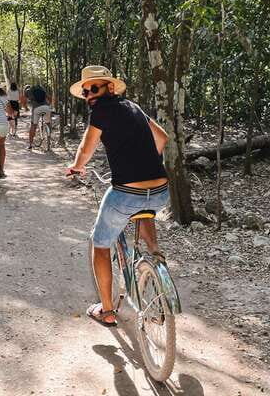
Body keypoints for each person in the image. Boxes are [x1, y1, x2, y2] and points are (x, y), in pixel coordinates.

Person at [66, 65, 169, 328]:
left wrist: (77, 166)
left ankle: (107, 310)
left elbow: (86, 148)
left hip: (125, 194)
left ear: (109, 88)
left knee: (100, 243)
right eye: (86, 91)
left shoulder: (101, 111)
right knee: (144, 208)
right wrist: (145, 160)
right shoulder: (134, 107)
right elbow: (162, 137)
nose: (89, 94)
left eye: (94, 88)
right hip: (160, 190)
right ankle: (155, 255)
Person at [27, 83, 51, 150]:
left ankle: (30, 144)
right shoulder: (43, 90)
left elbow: (25, 99)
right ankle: (49, 143)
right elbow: (49, 98)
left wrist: (26, 107)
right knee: (48, 124)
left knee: (33, 125)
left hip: (36, 109)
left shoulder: (30, 91)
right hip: (46, 108)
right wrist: (49, 105)